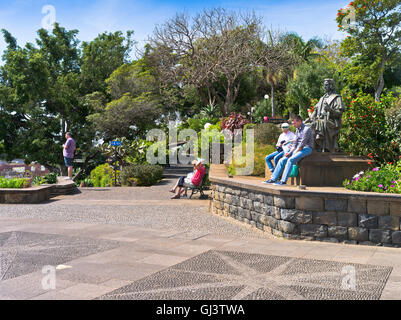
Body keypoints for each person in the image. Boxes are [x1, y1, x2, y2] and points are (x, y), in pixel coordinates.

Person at [264, 115, 314, 186]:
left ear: (299, 121)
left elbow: (302, 144)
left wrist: (293, 153)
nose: (293, 125)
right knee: (282, 160)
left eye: (294, 123)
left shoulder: (306, 129)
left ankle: (283, 181)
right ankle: (273, 179)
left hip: (307, 148)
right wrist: (289, 152)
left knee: (291, 159)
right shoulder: (297, 129)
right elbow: (295, 143)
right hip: (297, 148)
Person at [304, 79, 345, 152]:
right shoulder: (321, 98)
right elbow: (315, 111)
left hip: (331, 122)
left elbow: (340, 113)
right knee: (307, 125)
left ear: (331, 86)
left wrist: (330, 110)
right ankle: (311, 148)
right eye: (324, 85)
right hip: (319, 120)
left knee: (316, 124)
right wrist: (309, 119)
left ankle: (320, 148)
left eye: (326, 85)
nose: (324, 86)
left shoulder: (337, 98)